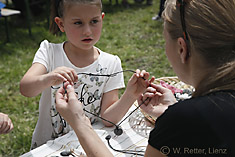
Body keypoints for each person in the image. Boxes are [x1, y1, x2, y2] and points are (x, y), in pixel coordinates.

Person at [55, 0, 235, 156]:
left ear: (182, 49)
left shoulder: (182, 120)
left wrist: (80, 122)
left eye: (165, 41)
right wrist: (173, 110)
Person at [20, 0, 150, 149]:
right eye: (78, 23)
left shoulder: (111, 63)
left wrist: (130, 95)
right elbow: (26, 89)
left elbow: (108, 119)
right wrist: (48, 78)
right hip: (48, 148)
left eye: (94, 21)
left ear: (102, 19)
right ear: (61, 24)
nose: (87, 31)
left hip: (88, 147)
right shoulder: (49, 53)